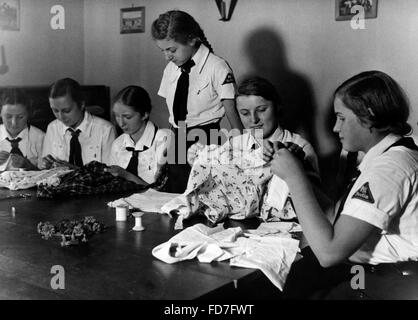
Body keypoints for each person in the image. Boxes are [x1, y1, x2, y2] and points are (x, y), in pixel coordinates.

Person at [271, 71, 418, 299]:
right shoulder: (388, 154)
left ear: (368, 116)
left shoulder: (387, 169)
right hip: (375, 272)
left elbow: (329, 253)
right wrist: (302, 173)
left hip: (392, 282)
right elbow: (336, 218)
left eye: (341, 118)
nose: (335, 128)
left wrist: (294, 178)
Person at [151, 10, 243, 192]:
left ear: (192, 40)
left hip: (206, 140)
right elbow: (173, 116)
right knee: (173, 195)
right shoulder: (171, 69)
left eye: (172, 50)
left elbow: (234, 119)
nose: (167, 56)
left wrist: (242, 157)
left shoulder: (217, 67)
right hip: (178, 139)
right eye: (163, 51)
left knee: (203, 197)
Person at [41, 78, 116, 169]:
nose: (61, 117)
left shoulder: (105, 130)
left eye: (67, 111)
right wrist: (45, 164)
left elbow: (110, 175)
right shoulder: (52, 128)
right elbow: (45, 169)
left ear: (81, 104)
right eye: (55, 110)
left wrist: (73, 170)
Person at [106, 86, 173, 187]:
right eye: (116, 116)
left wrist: (126, 175)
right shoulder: (118, 144)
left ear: (145, 114)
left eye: (127, 117)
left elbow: (163, 191)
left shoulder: (164, 139)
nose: (121, 123)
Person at [0, 88, 44, 171]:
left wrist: (29, 165)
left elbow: (49, 174)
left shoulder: (40, 138)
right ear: (0, 113)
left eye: (20, 117)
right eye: (8, 117)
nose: (14, 123)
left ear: (28, 114)